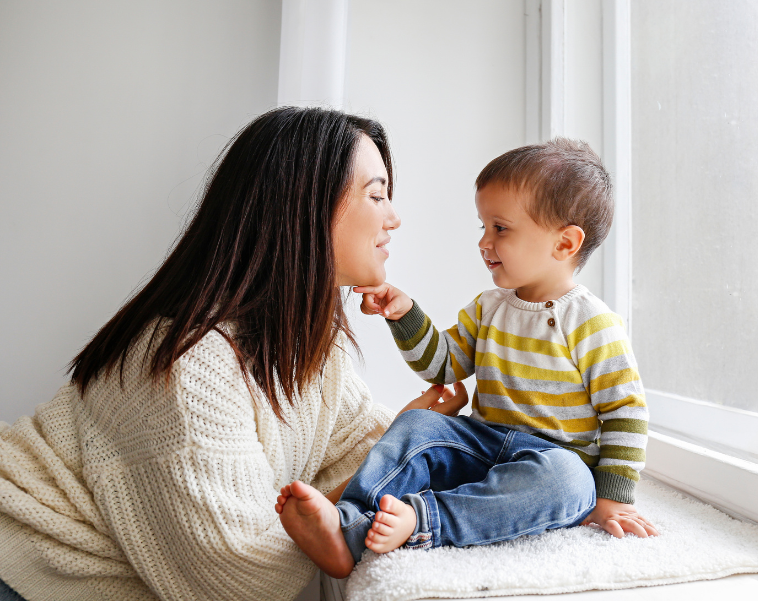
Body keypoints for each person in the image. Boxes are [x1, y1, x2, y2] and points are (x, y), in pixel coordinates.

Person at [0, 106, 465, 601]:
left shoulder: (304, 349)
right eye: (377, 194)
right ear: (305, 206)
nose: (394, 217)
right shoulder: (189, 364)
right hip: (23, 569)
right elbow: (243, 579)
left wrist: (402, 443)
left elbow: (356, 454)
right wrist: (379, 462)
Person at [276, 139, 658, 575]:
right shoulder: (488, 307)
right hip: (482, 444)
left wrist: (611, 499)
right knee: (419, 424)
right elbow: (444, 365)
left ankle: (424, 520)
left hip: (551, 460)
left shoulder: (593, 324)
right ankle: (346, 523)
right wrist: (405, 315)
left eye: (500, 228)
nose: (484, 241)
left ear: (565, 244)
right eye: (482, 226)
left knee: (570, 482)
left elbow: (626, 412)